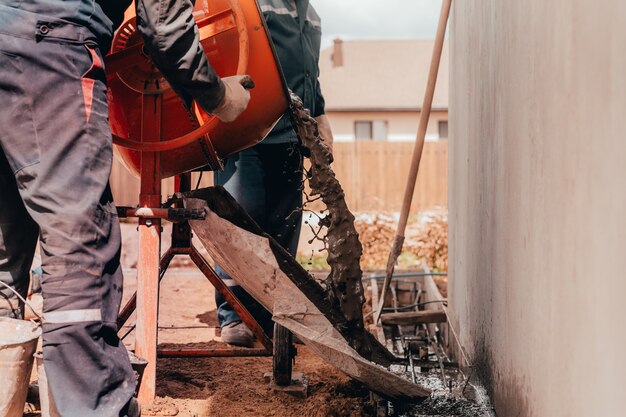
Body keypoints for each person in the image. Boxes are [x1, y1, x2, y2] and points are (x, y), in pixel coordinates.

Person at [0, 0, 252, 415]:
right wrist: (217, 93)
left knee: (5, 240)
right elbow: (166, 27)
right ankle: (92, 405)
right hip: (48, 51)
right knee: (78, 237)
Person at [215, 0, 334, 347]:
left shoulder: (309, 13)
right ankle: (234, 314)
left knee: (285, 226)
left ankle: (273, 314)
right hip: (245, 130)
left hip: (291, 133)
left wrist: (320, 114)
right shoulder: (252, 3)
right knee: (242, 223)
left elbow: (309, 72)